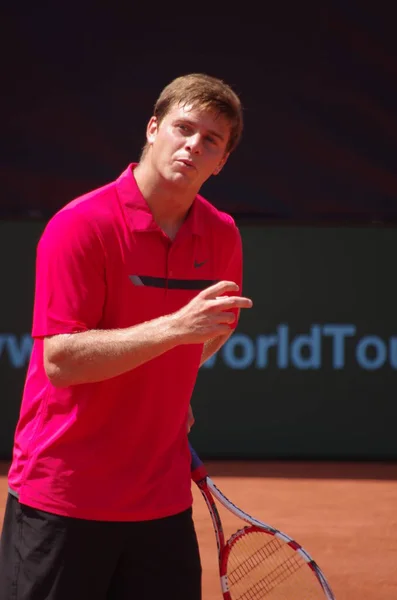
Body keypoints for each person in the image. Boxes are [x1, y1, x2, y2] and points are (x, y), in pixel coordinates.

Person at [0, 72, 253, 600]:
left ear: (222, 161)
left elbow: (218, 325)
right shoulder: (81, 226)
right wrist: (173, 330)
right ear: (153, 127)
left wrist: (175, 384)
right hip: (64, 497)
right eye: (183, 128)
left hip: (160, 504)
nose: (193, 145)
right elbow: (62, 360)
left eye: (211, 140)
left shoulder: (222, 234)